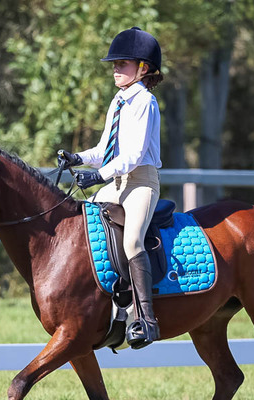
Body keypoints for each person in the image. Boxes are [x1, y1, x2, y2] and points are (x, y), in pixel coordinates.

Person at [58, 26, 164, 349]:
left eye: (123, 64)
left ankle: (145, 320)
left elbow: (133, 155)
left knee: (132, 241)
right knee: (84, 222)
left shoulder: (145, 102)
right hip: (116, 180)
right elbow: (106, 148)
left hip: (141, 183)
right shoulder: (118, 101)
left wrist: (100, 176)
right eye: (115, 64)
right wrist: (78, 158)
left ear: (142, 68)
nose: (115, 69)